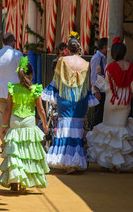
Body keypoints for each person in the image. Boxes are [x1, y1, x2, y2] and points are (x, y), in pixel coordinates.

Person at [42, 32, 99, 174]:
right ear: (79, 49)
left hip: (65, 100)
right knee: (78, 132)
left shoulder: (62, 61)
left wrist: (51, 93)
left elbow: (57, 81)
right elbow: (86, 85)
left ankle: (66, 161)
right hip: (80, 101)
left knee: (64, 130)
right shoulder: (85, 64)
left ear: (68, 48)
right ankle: (75, 161)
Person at [87, 37, 133, 172]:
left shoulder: (110, 67)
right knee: (122, 132)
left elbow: (106, 86)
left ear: (113, 53)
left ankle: (110, 163)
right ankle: (119, 164)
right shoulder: (130, 67)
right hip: (125, 103)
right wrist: (127, 98)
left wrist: (97, 74)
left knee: (109, 131)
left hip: (111, 102)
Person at [0, 57, 50, 193]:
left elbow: (8, 109)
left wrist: (4, 126)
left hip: (14, 120)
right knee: (27, 152)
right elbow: (41, 110)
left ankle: (14, 180)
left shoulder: (13, 88)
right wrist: (45, 124)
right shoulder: (35, 89)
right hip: (29, 121)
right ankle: (24, 182)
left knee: (15, 152)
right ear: (31, 74)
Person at [0, 33, 23, 149]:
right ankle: (13, 144)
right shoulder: (18, 54)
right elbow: (22, 73)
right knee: (15, 117)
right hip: (15, 91)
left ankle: (4, 144)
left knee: (2, 118)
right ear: (12, 42)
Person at [90, 38, 108, 127]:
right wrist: (97, 91)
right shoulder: (97, 58)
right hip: (99, 90)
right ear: (105, 47)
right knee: (98, 114)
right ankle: (93, 134)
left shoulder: (104, 57)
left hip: (103, 89)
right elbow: (93, 77)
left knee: (102, 115)